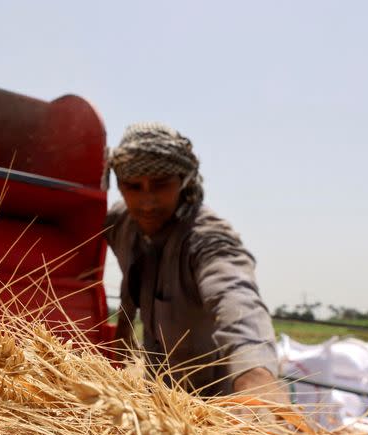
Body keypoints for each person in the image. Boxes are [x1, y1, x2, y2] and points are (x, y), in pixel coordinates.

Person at [105, 122, 288, 403]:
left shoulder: (206, 237)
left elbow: (236, 296)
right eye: (133, 186)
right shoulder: (121, 224)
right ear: (118, 185)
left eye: (161, 184)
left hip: (218, 409)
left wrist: (255, 376)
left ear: (184, 180)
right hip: (157, 402)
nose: (147, 201)